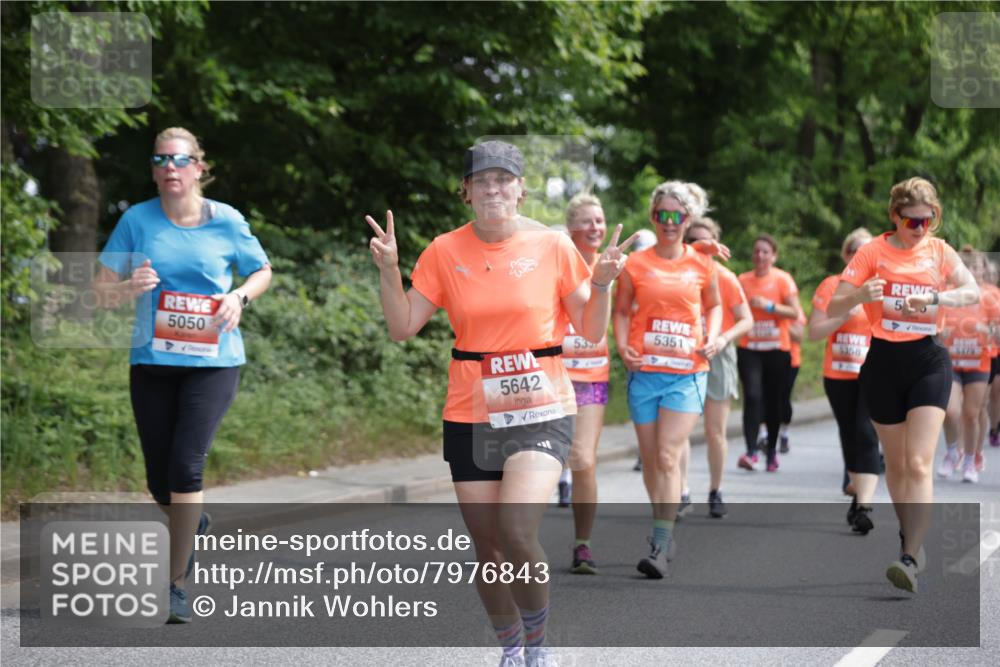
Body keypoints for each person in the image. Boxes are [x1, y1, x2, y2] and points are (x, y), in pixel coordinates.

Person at [365, 140, 634, 667]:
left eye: (503, 179)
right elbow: (402, 327)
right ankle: (510, 645)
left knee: (515, 531)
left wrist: (600, 284)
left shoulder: (554, 247)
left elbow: (590, 329)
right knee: (487, 550)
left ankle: (538, 646)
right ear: (466, 191)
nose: (493, 189)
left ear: (521, 188)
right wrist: (390, 270)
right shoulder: (444, 250)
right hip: (470, 410)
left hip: (542, 406)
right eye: (482, 181)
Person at [93, 127, 272, 623]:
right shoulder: (136, 220)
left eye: (179, 159)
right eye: (160, 159)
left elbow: (262, 270)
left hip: (213, 363)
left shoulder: (227, 221)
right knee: (159, 479)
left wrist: (239, 296)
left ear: (198, 166)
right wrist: (129, 286)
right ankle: (190, 522)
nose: (170, 167)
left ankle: (175, 585)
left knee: (186, 469)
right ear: (153, 170)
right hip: (152, 361)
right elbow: (101, 290)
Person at [827, 176, 979, 593]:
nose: (920, 230)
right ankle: (908, 534)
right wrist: (860, 295)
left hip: (928, 358)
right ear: (894, 217)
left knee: (917, 463)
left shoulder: (939, 251)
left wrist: (935, 300)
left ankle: (909, 556)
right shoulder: (873, 252)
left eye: (927, 222)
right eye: (912, 222)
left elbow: (969, 291)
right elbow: (833, 302)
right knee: (894, 466)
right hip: (882, 361)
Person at [614, 180, 722, 578]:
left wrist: (713, 334)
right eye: (662, 215)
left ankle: (659, 541)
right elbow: (622, 310)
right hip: (645, 372)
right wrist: (623, 346)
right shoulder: (637, 265)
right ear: (653, 218)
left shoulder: (701, 263)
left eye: (677, 216)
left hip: (686, 373)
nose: (669, 222)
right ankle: (665, 523)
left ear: (688, 219)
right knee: (651, 460)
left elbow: (714, 305)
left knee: (666, 454)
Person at [677, 217, 752, 518]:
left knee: (714, 432)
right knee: (679, 429)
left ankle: (715, 489)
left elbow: (747, 319)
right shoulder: (677, 274)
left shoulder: (725, 276)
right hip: (683, 353)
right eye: (693, 240)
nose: (699, 246)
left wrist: (723, 338)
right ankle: (681, 491)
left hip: (718, 354)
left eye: (705, 241)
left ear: (716, 244)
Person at [808, 228, 880, 534]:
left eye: (865, 253)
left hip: (873, 372)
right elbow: (814, 333)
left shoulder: (880, 288)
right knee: (849, 433)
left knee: (866, 432)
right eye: (854, 251)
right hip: (837, 374)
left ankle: (864, 506)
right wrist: (843, 316)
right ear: (845, 255)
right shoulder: (831, 285)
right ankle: (856, 490)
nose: (858, 257)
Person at [558, 193, 614, 573]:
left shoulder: (611, 265)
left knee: (584, 460)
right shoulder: (555, 263)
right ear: (570, 228)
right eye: (586, 221)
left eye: (599, 220)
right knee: (531, 462)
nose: (595, 227)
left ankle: (582, 545)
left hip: (592, 375)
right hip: (551, 376)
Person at [736, 234, 802, 472]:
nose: (760, 256)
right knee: (753, 397)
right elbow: (733, 310)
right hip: (750, 348)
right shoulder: (742, 280)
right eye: (756, 251)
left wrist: (769, 306)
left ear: (773, 256)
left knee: (774, 402)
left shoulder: (783, 280)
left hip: (777, 348)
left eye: (765, 252)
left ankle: (772, 450)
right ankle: (752, 451)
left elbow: (795, 313)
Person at [938, 248, 1000, 483]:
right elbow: (935, 332)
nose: (974, 272)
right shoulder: (948, 295)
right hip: (951, 362)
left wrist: (987, 331)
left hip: (979, 362)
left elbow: (998, 335)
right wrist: (941, 335)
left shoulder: (990, 297)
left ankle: (972, 460)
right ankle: (953, 452)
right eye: (968, 268)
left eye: (977, 268)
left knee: (972, 414)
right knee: (951, 411)